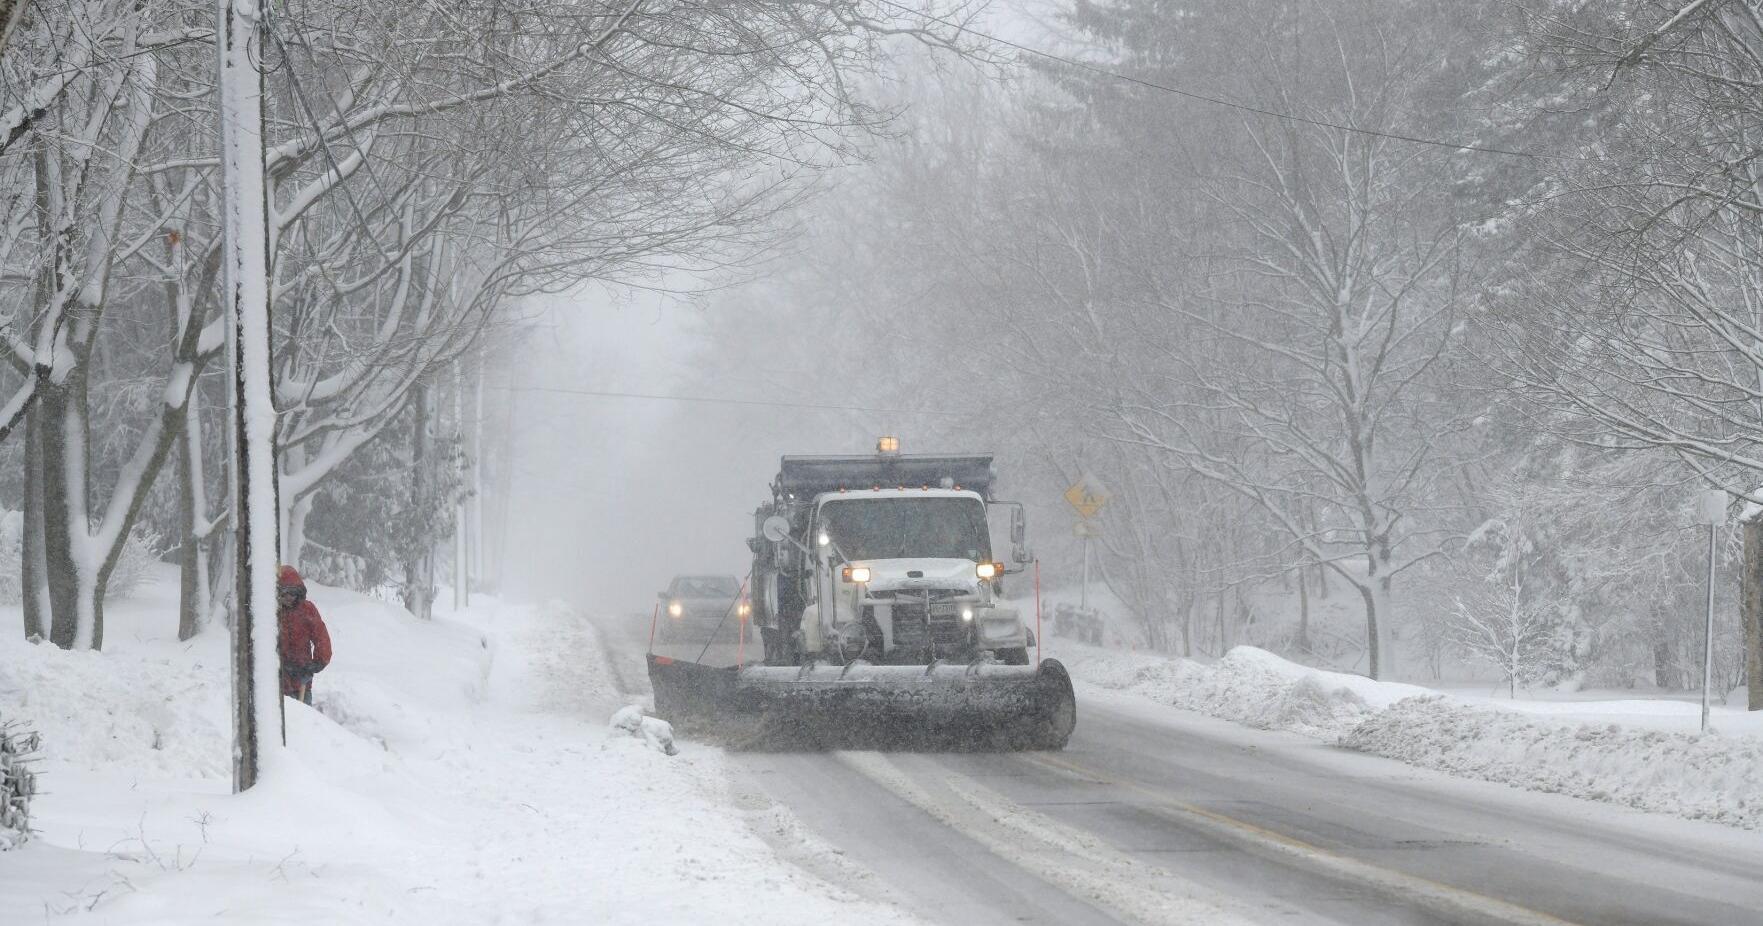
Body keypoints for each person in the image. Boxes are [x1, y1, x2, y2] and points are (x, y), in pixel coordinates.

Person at [276, 566, 332, 705]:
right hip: (276, 684)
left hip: (302, 682)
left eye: (292, 593)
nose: (288, 598)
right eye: (284, 594)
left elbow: (321, 637)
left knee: (304, 716)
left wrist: (315, 664)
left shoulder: (307, 610)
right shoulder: (273, 612)